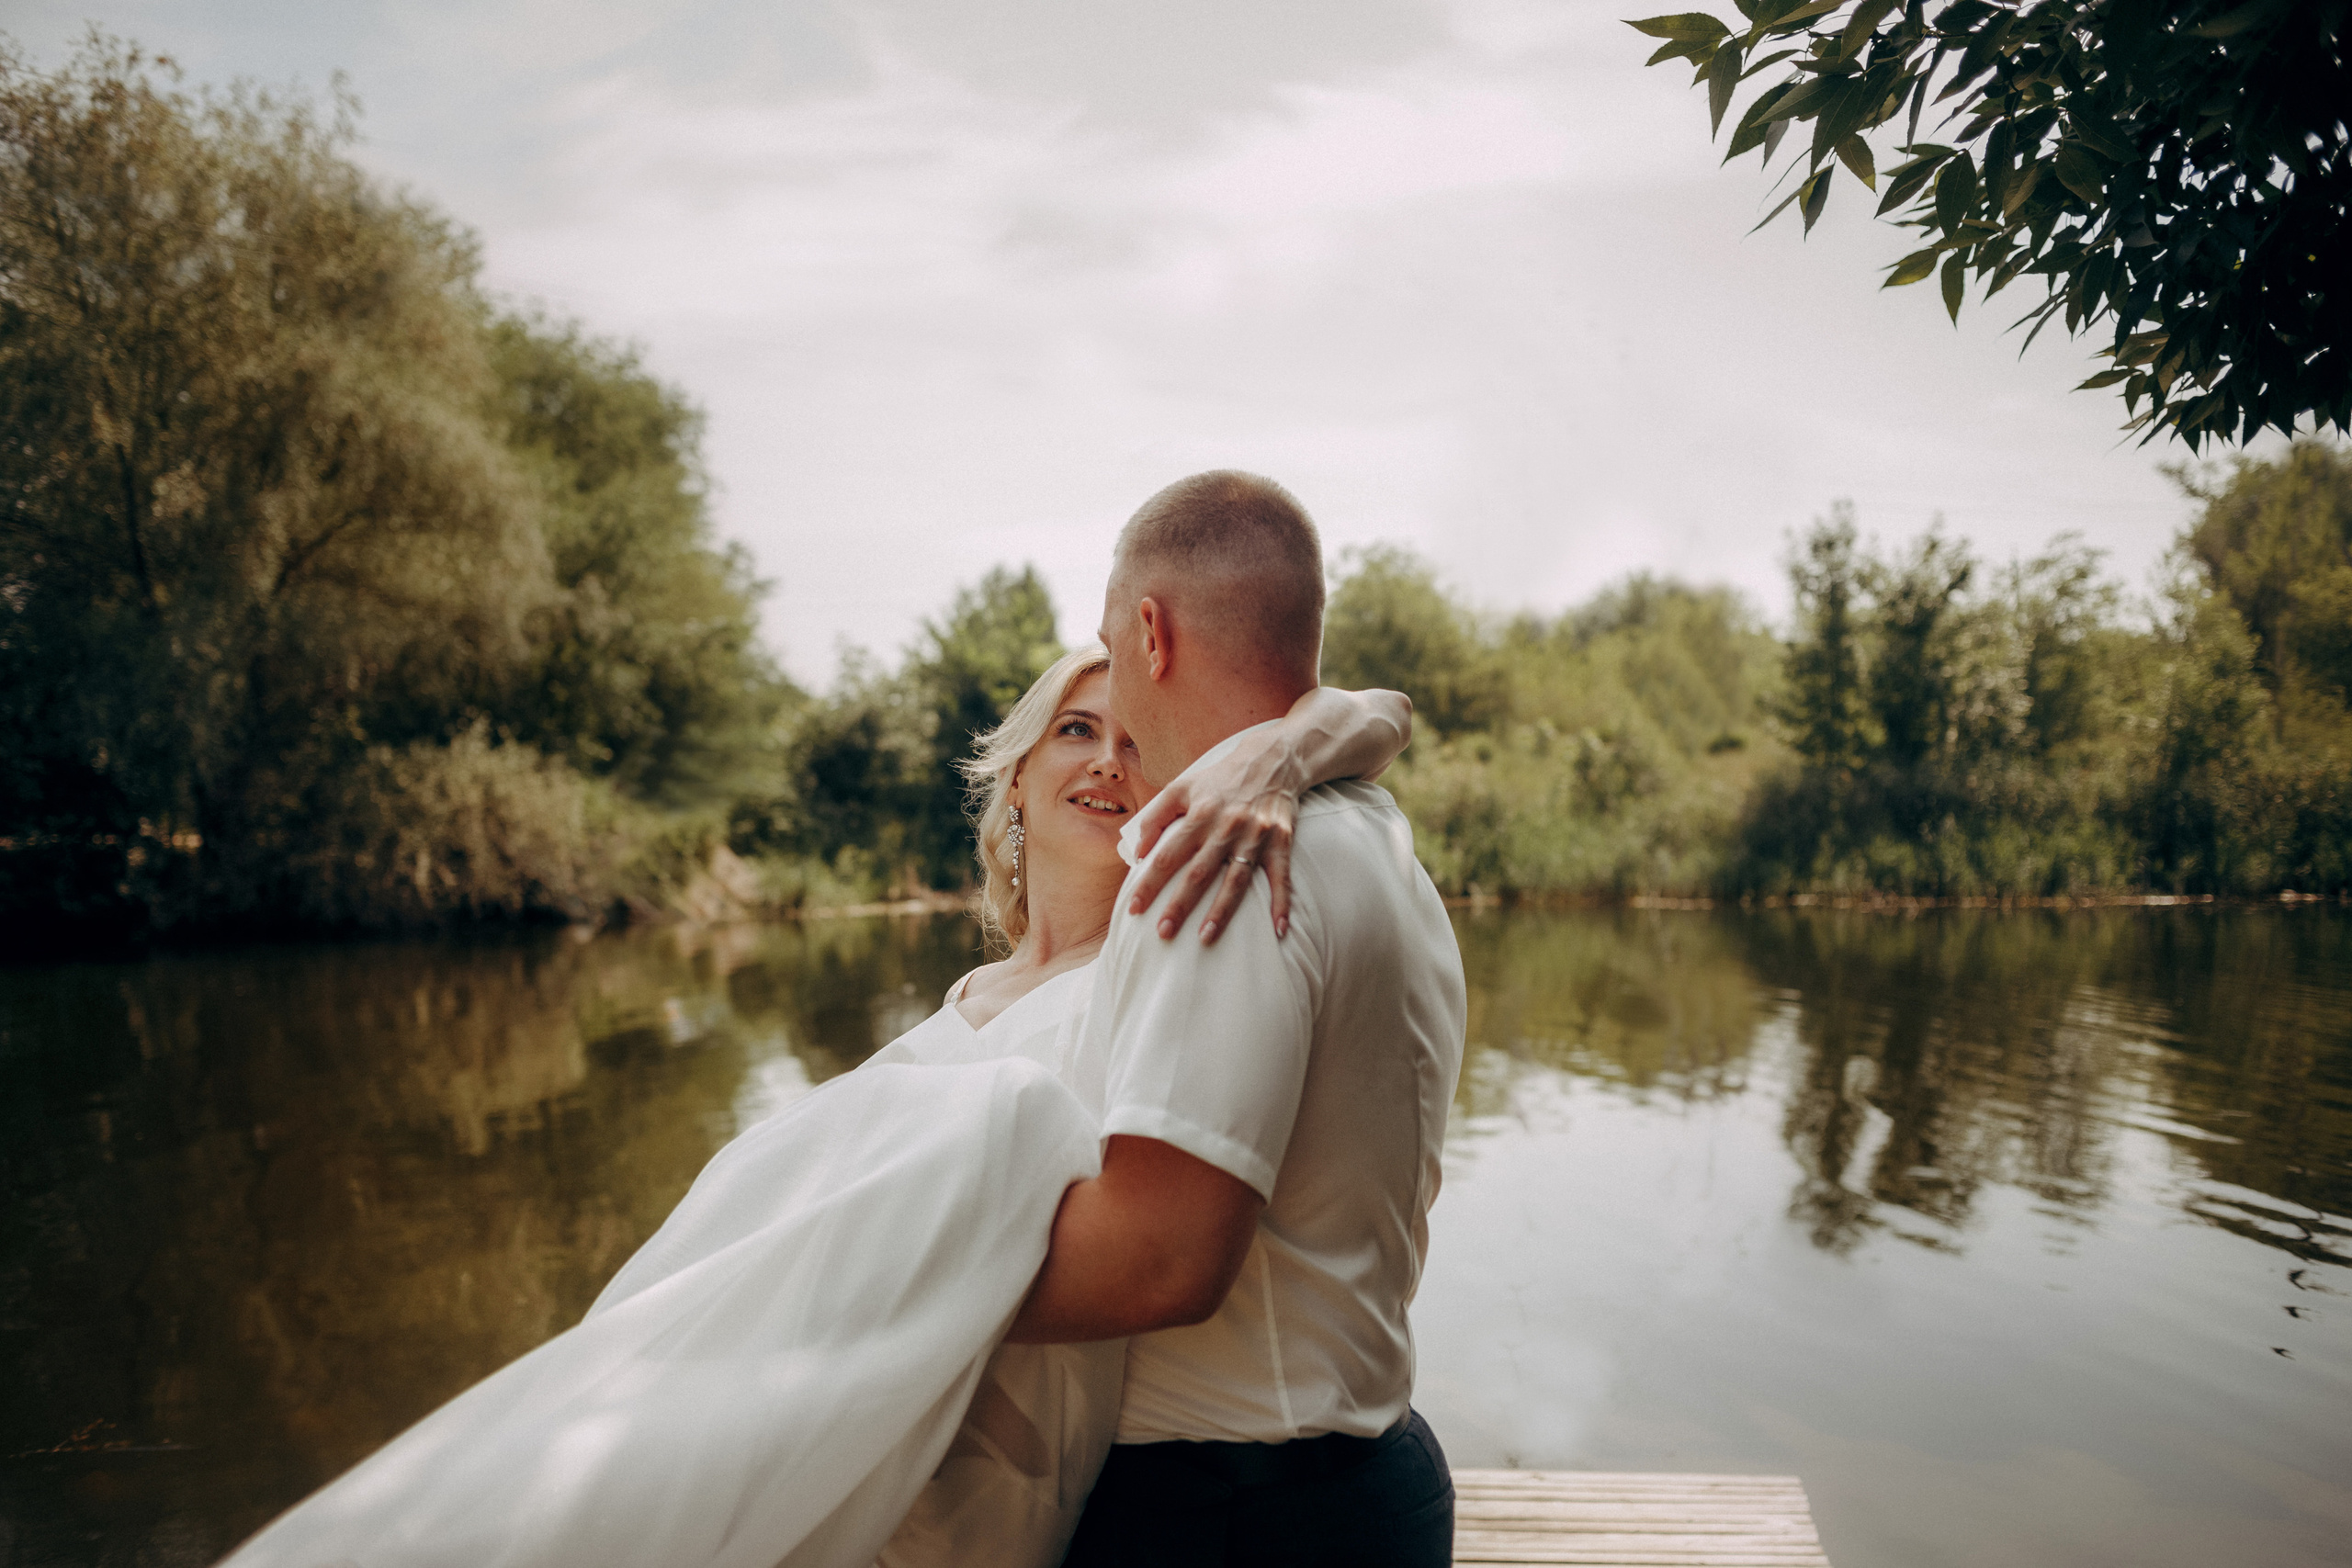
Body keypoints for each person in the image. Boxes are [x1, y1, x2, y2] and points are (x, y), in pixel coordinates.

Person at [215, 635, 1413, 1568]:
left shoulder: (1163, 974)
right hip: (810, 1389)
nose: (1105, 761)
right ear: (1017, 780)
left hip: (981, 1445)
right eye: (1073, 729)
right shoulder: (967, 995)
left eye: (1137, 740)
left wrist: (1286, 749)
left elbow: (1378, 710)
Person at [1011, 470, 1469, 1568]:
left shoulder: (1220, 864)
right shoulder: (1375, 837)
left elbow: (1161, 1259)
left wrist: (858, 1283)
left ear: (1153, 634)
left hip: (1229, 1520)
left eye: (1113, 652)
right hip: (1370, 1481)